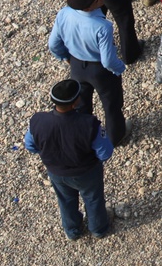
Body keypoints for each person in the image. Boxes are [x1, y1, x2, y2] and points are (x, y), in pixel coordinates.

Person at [24, 79, 113, 240]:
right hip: (86, 172)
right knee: (93, 199)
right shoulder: (89, 124)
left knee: (65, 200)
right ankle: (98, 228)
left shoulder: (38, 121)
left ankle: (72, 231)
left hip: (56, 172)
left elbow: (30, 145)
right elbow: (105, 152)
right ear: (75, 102)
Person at [48, 0, 132, 146]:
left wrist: (65, 57)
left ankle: (85, 135)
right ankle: (116, 136)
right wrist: (119, 68)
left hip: (77, 65)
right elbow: (108, 59)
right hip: (100, 70)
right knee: (111, 105)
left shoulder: (64, 13)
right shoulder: (103, 26)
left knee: (81, 104)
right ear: (87, 8)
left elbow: (53, 44)